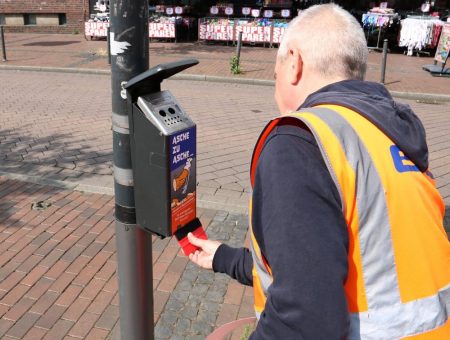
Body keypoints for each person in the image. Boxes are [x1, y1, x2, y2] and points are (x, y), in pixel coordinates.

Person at [187, 4, 450, 339]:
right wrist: (226, 259)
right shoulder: (385, 133)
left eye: (275, 74)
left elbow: (305, 318)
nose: (275, 87)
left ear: (294, 63)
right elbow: (351, 257)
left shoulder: (299, 142)